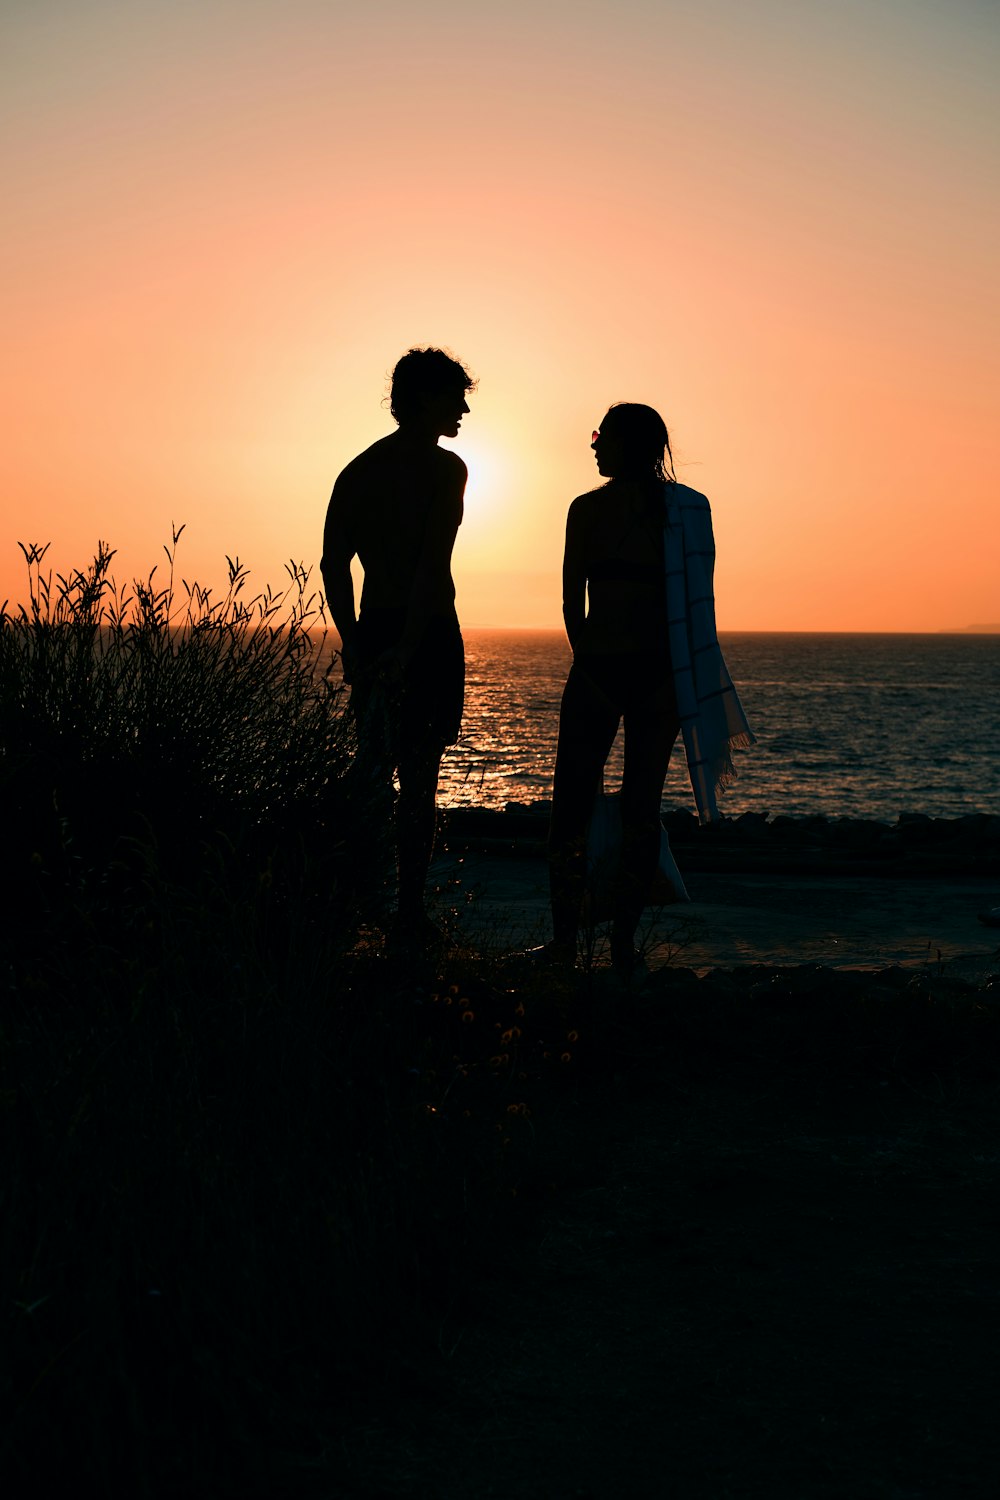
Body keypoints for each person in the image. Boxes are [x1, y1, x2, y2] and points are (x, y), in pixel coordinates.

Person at [546, 402, 753, 974]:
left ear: (626, 444)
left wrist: (585, 656)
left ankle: (566, 945)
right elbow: (695, 605)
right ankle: (621, 948)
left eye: (600, 436)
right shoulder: (690, 510)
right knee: (642, 808)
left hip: (599, 670)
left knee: (570, 810)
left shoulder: (586, 510)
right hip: (659, 676)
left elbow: (571, 601)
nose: (592, 446)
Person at [321, 347, 476, 950]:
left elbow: (336, 565)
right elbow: (432, 566)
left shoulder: (357, 470)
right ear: (421, 399)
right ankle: (405, 914)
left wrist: (356, 643)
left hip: (377, 630)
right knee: (417, 780)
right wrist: (408, 647)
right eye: (453, 396)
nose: (462, 408)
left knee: (374, 771)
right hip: (426, 634)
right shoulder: (446, 469)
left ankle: (358, 902)